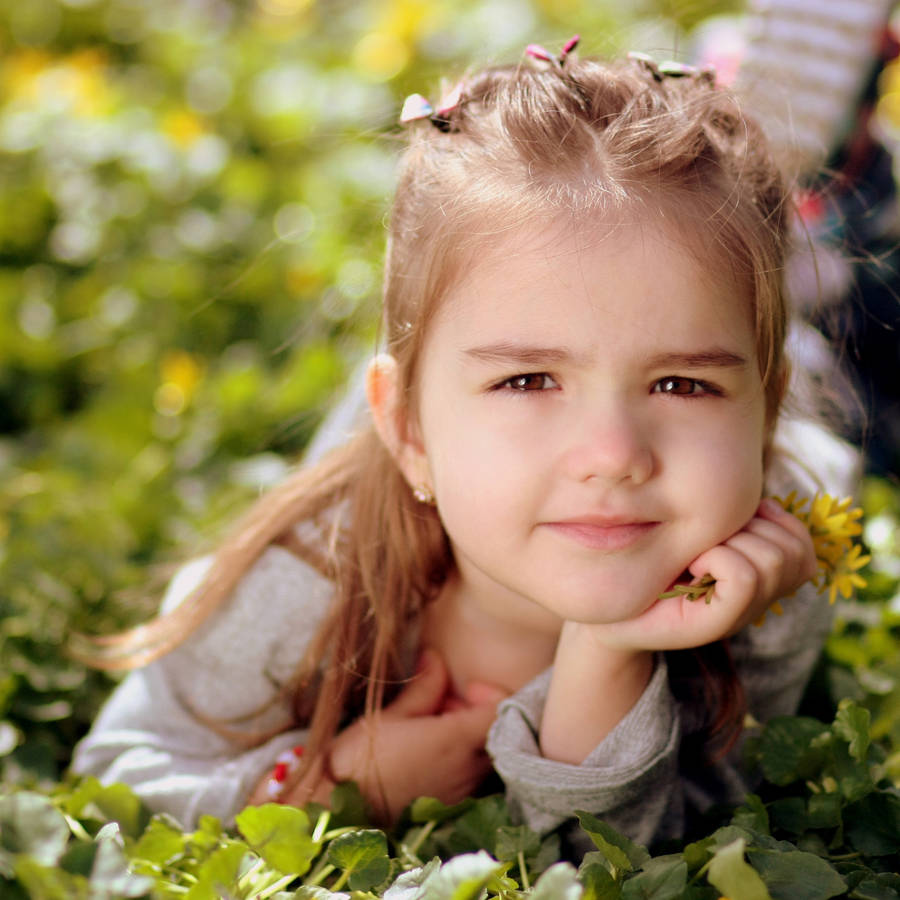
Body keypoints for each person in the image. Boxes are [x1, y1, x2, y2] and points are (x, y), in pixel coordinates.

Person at [72, 41, 859, 851]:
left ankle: (819, 221)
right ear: (407, 433)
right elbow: (115, 784)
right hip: (415, 449)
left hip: (786, 396)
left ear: (761, 419)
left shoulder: (764, 582)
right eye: (529, 381)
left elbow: (643, 857)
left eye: (682, 385)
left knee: (843, 340)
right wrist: (333, 786)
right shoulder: (309, 574)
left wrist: (606, 649)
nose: (614, 453)